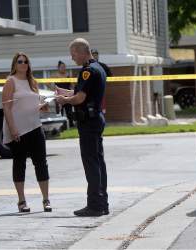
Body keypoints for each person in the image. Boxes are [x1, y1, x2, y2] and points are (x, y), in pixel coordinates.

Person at [56, 38, 109, 217]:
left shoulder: (87, 71)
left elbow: (80, 99)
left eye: (73, 54)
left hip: (89, 121)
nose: (72, 58)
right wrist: (64, 93)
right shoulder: (98, 68)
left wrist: (65, 101)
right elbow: (81, 93)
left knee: (91, 163)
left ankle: (95, 205)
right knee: (98, 162)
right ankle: (102, 202)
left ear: (81, 51)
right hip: (95, 119)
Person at [2, 52, 52, 213]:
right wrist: (12, 128)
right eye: (20, 61)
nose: (23, 64)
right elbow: (7, 108)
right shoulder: (11, 81)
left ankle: (46, 199)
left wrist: (42, 107)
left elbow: (33, 106)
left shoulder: (33, 82)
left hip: (35, 127)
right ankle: (21, 201)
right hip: (19, 130)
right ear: (14, 64)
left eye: (25, 62)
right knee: (19, 164)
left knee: (41, 163)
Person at [91, 48, 112, 114]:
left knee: (101, 106)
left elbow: (110, 76)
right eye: (93, 55)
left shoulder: (103, 66)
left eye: (96, 55)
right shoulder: (87, 67)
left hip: (100, 89)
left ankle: (102, 116)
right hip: (91, 90)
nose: (94, 56)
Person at [54, 61, 74, 127]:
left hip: (68, 95)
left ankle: (71, 124)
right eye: (62, 67)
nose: (63, 68)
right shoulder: (55, 75)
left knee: (69, 111)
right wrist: (53, 88)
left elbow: (72, 85)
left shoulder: (68, 75)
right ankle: (61, 126)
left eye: (64, 67)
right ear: (58, 68)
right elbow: (47, 82)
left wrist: (73, 91)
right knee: (60, 111)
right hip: (59, 96)